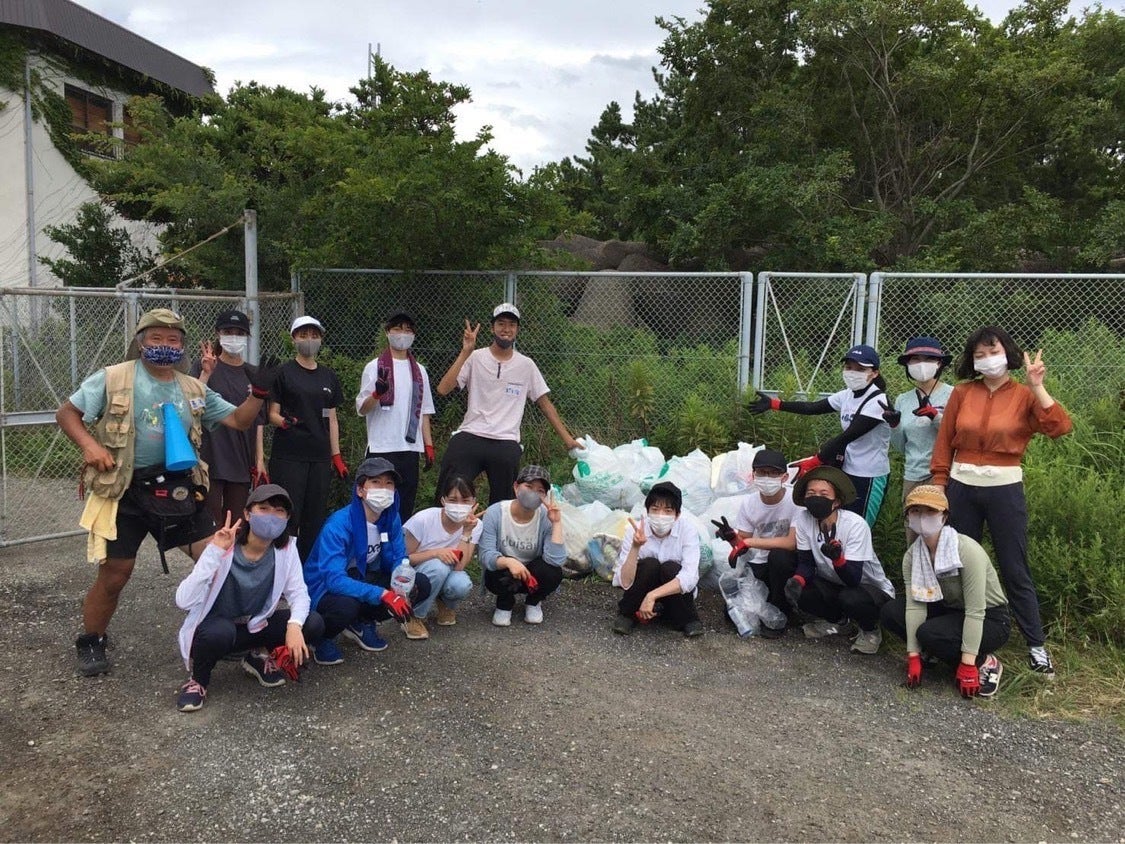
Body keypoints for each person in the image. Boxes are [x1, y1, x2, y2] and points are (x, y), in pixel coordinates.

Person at [56, 308, 272, 677]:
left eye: (173, 339)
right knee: (116, 573)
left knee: (218, 559)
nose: (165, 345)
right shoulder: (113, 378)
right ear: (140, 342)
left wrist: (260, 394)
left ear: (182, 346)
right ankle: (92, 639)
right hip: (124, 489)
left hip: (178, 490)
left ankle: (230, 633)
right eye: (156, 338)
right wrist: (90, 446)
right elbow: (67, 414)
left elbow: (239, 420)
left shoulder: (192, 388)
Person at [931, 326, 1072, 677]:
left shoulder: (1024, 395)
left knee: (1014, 566)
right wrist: (939, 485)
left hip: (1004, 488)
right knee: (955, 563)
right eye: (979, 355)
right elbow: (945, 441)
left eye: (992, 352)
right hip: (961, 486)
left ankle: (1036, 646)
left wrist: (1037, 386)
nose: (987, 359)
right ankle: (952, 635)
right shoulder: (963, 393)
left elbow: (1059, 427)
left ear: (1007, 354)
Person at [173, 484, 324, 712]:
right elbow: (183, 600)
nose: (271, 516)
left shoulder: (286, 549)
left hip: (253, 626)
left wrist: (294, 627)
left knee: (312, 622)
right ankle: (199, 680)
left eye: (279, 511)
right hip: (216, 629)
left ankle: (257, 656)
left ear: (287, 518)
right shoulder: (224, 548)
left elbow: (298, 593)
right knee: (220, 632)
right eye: (263, 509)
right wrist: (213, 552)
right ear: (247, 513)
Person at [435, 303, 581, 505]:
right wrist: (465, 352)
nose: (506, 329)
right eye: (501, 323)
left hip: (506, 440)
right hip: (471, 433)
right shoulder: (475, 357)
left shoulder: (526, 365)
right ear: (492, 328)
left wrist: (568, 439)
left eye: (512, 325)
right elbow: (443, 389)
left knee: (504, 503)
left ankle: (496, 524)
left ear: (517, 330)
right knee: (449, 489)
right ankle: (442, 523)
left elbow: (545, 404)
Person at [880, 485, 1010, 699]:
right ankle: (930, 653)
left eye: (930, 511)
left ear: (944, 516)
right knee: (891, 611)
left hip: (990, 618)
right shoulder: (913, 555)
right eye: (915, 511)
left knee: (930, 633)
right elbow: (915, 605)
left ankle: (983, 662)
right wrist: (913, 655)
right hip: (949, 608)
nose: (922, 517)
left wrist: (968, 663)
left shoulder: (967, 550)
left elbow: (976, 611)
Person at [749, 344, 894, 527]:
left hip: (869, 474)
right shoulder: (847, 395)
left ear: (874, 373)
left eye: (860, 369)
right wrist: (775, 404)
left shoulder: (878, 401)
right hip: (847, 469)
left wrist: (815, 461)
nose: (852, 372)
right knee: (841, 522)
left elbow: (846, 437)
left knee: (860, 525)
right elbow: (812, 408)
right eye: (849, 367)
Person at [302, 457, 421, 665]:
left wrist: (401, 584)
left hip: (363, 576)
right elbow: (334, 580)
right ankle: (321, 638)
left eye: (389, 484)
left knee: (418, 585)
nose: (383, 489)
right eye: (376, 482)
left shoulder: (391, 518)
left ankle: (361, 622)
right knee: (346, 606)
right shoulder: (338, 525)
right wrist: (383, 594)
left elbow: (399, 556)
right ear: (360, 490)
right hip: (323, 588)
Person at [783, 466, 895, 654]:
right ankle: (839, 622)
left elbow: (854, 579)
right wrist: (797, 581)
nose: (816, 498)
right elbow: (806, 564)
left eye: (823, 494)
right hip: (833, 581)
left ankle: (870, 630)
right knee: (802, 591)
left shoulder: (856, 525)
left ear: (836, 501)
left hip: (868, 587)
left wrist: (838, 559)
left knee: (850, 598)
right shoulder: (804, 519)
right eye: (811, 493)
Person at [268, 315, 347, 561]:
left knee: (315, 518)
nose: (309, 340)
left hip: (319, 457)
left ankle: (306, 571)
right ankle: (282, 567)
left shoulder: (328, 376)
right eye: (303, 335)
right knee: (287, 513)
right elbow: (272, 413)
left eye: (314, 335)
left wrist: (336, 456)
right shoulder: (283, 372)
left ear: (321, 339)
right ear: (294, 339)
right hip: (289, 455)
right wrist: (283, 422)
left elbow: (332, 419)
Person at [356, 310, 436, 520]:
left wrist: (428, 445)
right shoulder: (374, 367)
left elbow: (424, 411)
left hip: (409, 448)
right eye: (397, 328)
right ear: (387, 332)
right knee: (375, 507)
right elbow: (362, 408)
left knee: (404, 508)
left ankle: (397, 542)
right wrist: (377, 394)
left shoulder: (420, 371)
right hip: (382, 446)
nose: (402, 334)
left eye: (408, 330)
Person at [714, 448, 800, 637]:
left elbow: (790, 543)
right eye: (762, 472)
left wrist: (749, 541)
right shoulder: (749, 503)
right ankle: (769, 606)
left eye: (773, 473)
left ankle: (781, 613)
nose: (766, 478)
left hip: (787, 562)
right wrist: (732, 538)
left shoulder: (795, 501)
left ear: (785, 477)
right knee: (732, 612)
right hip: (760, 561)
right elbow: (743, 546)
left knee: (779, 557)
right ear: (753, 476)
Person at [192, 309, 267, 524]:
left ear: (247, 337)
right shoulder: (203, 366)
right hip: (210, 456)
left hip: (240, 457)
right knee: (209, 523)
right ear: (218, 333)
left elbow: (259, 421)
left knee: (236, 523)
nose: (234, 337)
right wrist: (206, 373)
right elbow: (192, 403)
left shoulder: (254, 373)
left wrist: (260, 460)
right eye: (228, 332)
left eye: (239, 333)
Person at [612, 481, 704, 638]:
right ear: (647, 511)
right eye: (655, 509)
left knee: (670, 568)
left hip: (672, 594)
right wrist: (635, 547)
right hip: (641, 590)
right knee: (650, 565)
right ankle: (627, 615)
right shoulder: (634, 531)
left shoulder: (688, 531)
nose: (661, 516)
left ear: (677, 515)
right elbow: (624, 581)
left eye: (668, 511)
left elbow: (690, 577)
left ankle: (687, 619)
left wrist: (652, 596)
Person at [477, 465, 565, 626]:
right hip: (505, 573)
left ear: (545, 496)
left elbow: (556, 560)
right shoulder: (495, 513)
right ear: (516, 487)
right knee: (493, 571)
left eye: (540, 490)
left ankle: (534, 601)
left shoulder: (546, 516)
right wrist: (509, 562)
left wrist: (557, 523)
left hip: (533, 574)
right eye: (529, 486)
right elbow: (485, 555)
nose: (533, 493)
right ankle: (504, 602)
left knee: (552, 572)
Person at [889, 336, 954, 542]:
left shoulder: (953, 395)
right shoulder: (903, 400)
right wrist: (894, 426)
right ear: (907, 365)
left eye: (928, 359)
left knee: (942, 536)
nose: (921, 364)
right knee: (914, 535)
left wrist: (936, 418)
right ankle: (914, 565)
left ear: (939, 363)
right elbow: (901, 446)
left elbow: (957, 437)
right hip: (913, 475)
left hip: (943, 475)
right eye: (915, 359)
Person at [401, 476, 483, 636]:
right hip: (415, 573)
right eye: (453, 500)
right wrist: (436, 553)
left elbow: (460, 567)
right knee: (439, 567)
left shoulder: (475, 525)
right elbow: (404, 559)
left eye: (465, 500)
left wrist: (466, 532)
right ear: (443, 500)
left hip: (450, 570)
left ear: (474, 502)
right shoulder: (423, 519)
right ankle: (413, 615)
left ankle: (445, 603)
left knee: (461, 584)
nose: (459, 505)